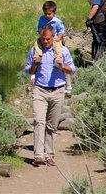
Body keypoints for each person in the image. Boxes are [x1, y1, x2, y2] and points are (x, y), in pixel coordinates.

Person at [25, 24, 75, 167]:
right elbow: (28, 69)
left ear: (53, 37)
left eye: (48, 39)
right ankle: (38, 155)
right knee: (39, 121)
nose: (45, 42)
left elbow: (72, 69)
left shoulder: (62, 51)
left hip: (58, 90)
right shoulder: (35, 51)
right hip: (40, 89)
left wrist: (62, 65)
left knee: (52, 125)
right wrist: (34, 65)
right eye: (43, 38)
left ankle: (50, 155)